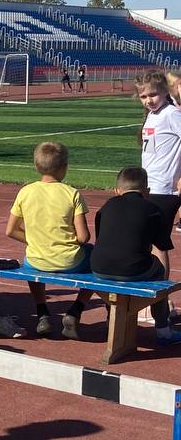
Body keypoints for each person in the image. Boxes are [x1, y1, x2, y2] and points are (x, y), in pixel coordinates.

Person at [5, 141, 93, 338]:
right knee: (96, 258)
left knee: (30, 258)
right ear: (64, 168)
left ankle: (42, 311)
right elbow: (83, 237)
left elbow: (10, 230)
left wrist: (35, 240)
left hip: (37, 260)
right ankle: (76, 309)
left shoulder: (25, 191)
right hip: (70, 261)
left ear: (36, 166)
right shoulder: (72, 193)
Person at [92, 165, 181, 346]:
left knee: (113, 264)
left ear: (117, 190)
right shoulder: (152, 209)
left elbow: (101, 238)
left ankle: (110, 319)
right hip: (132, 268)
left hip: (99, 268)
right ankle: (163, 329)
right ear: (147, 191)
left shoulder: (107, 206)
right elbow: (162, 245)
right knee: (159, 271)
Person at [137, 69, 181, 279]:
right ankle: (152, 291)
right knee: (147, 241)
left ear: (165, 91)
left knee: (158, 243)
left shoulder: (171, 114)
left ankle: (160, 294)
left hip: (164, 189)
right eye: (143, 96)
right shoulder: (152, 115)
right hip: (149, 186)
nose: (148, 100)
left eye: (153, 94)